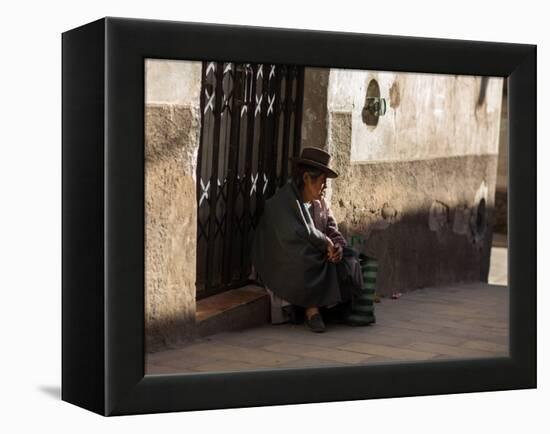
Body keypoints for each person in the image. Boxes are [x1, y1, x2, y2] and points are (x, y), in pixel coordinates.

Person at [250, 147, 363, 332]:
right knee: (304, 257)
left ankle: (331, 308)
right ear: (306, 178)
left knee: (349, 257)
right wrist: (324, 243)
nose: (325, 187)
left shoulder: (321, 203)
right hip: (284, 260)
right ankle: (312, 310)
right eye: (322, 181)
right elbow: (294, 235)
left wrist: (337, 248)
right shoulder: (283, 202)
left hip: (318, 255)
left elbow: (332, 230)